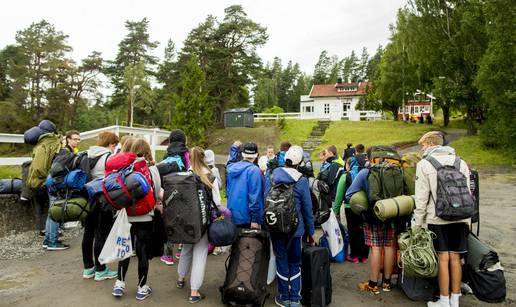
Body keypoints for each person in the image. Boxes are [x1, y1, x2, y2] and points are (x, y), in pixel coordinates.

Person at [412, 131, 471, 307]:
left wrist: (418, 223)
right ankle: (455, 299)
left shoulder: (424, 164)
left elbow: (421, 198)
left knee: (443, 258)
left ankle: (444, 300)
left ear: (430, 144)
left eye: (422, 145)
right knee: (456, 258)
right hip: (461, 217)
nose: (422, 148)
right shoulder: (461, 162)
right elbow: (467, 193)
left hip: (437, 217)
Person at [345, 147, 405, 295]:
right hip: (392, 213)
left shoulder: (366, 172)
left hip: (374, 216)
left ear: (370, 158)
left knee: (376, 248)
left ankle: (372, 284)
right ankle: (387, 283)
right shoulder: (397, 171)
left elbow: (350, 194)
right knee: (390, 247)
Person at [112, 138, 160, 301]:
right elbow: (157, 190)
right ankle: (141, 288)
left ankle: (119, 284)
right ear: (148, 151)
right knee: (143, 252)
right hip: (145, 216)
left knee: (124, 250)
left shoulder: (124, 167)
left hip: (126, 215)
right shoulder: (152, 168)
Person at [269, 145, 315, 307]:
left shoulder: (273, 176)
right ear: (299, 162)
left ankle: (283, 297)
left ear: (285, 159)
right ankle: (295, 298)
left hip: (276, 228)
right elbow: (308, 210)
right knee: (295, 263)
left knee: (281, 261)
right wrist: (311, 232)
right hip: (296, 230)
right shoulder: (301, 181)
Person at [177, 147, 223, 303]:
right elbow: (217, 202)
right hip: (203, 221)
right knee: (200, 254)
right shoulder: (210, 176)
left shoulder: (186, 175)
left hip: (187, 221)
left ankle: (181, 278)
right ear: (204, 158)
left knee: (186, 249)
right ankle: (194, 291)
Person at [82, 132, 119, 281]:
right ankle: (101, 269)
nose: (114, 148)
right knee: (101, 234)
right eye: (114, 145)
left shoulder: (87, 154)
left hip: (86, 198)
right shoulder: (108, 157)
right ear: (110, 144)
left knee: (88, 233)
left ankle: (88, 268)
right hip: (102, 199)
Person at [26, 120, 65, 250]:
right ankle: (52, 242)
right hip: (50, 181)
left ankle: (48, 241)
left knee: (51, 212)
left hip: (44, 181)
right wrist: (48, 177)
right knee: (54, 211)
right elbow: (39, 168)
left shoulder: (41, 144)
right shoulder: (49, 144)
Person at [226, 142, 264, 229]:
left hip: (232, 214)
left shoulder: (231, 168)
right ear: (256, 155)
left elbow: (228, 192)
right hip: (247, 218)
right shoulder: (254, 170)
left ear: (243, 154)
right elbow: (255, 197)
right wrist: (255, 219)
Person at [343, 143, 369, 264]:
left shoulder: (347, 174)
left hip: (350, 206)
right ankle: (364, 256)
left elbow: (340, 195)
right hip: (366, 204)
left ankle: (354, 255)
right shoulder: (367, 168)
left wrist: (336, 209)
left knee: (353, 231)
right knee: (364, 229)